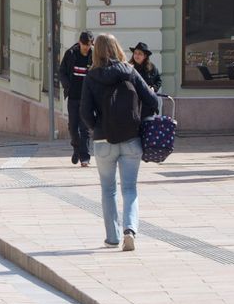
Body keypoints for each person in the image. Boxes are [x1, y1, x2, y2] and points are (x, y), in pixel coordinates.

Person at [82, 33, 160, 251]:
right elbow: (152, 101)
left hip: (103, 140)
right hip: (131, 138)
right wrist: (136, 116)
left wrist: (96, 126)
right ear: (117, 49)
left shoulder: (91, 76)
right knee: (129, 188)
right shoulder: (130, 72)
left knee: (108, 190)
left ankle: (113, 237)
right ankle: (130, 230)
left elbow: (85, 112)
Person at [59, 31, 95, 166]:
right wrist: (67, 85)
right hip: (73, 96)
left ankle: (85, 157)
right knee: (73, 128)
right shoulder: (71, 54)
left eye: (88, 44)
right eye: (84, 44)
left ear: (92, 43)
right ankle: (76, 149)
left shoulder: (94, 55)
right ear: (79, 42)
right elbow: (62, 71)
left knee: (84, 128)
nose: (86, 47)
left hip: (87, 98)